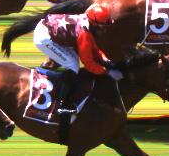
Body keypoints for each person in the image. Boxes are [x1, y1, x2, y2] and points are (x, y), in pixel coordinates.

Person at [32, 7, 120, 138]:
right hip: (44, 38)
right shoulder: (84, 33)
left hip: (47, 28)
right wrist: (106, 72)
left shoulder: (88, 22)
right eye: (104, 25)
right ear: (95, 24)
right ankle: (62, 104)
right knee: (73, 65)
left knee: (73, 60)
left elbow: (93, 48)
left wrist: (106, 60)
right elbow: (88, 64)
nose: (105, 28)